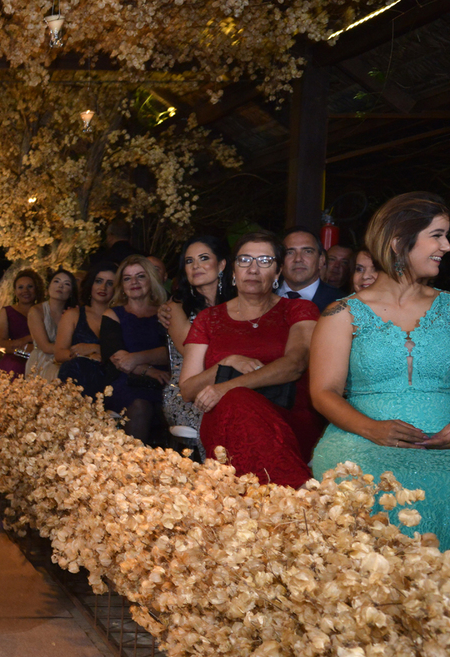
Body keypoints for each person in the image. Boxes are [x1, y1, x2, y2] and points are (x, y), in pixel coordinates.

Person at [310, 192, 450, 547]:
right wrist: (371, 429)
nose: (446, 246)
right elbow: (323, 392)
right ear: (399, 241)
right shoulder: (341, 313)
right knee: (368, 485)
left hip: (443, 444)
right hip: (359, 442)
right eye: (437, 235)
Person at [180, 231, 322, 488]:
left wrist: (227, 386)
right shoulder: (209, 319)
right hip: (225, 421)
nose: (253, 269)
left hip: (287, 418)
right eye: (244, 260)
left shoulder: (298, 310)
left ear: (278, 272)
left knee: (236, 398)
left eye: (265, 261)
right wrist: (225, 364)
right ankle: (300, 496)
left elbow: (295, 365)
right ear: (233, 270)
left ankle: (283, 496)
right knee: (234, 404)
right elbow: (188, 389)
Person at [159, 235, 233, 446]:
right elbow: (199, 358)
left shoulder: (238, 303)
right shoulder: (176, 308)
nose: (196, 266)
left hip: (232, 384)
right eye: (189, 261)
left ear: (222, 264)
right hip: (187, 393)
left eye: (203, 258)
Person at [100, 256, 170, 442]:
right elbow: (120, 360)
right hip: (127, 381)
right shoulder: (113, 314)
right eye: (127, 278)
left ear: (151, 279)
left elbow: (172, 352)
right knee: (139, 406)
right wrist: (150, 370)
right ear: (121, 285)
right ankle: (132, 459)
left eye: (140, 276)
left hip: (165, 380)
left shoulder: (166, 312)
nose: (134, 282)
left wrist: (137, 358)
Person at [56, 264, 117, 398]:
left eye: (110, 283)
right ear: (91, 284)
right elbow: (59, 353)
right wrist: (87, 356)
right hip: (77, 376)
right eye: (99, 281)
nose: (103, 287)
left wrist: (96, 348)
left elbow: (126, 353)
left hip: (112, 380)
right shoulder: (73, 315)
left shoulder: (121, 317)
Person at [25, 269, 76, 381]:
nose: (60, 286)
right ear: (48, 287)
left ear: (71, 292)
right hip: (42, 362)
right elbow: (45, 347)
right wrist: (75, 352)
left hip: (66, 361)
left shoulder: (73, 313)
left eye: (66, 284)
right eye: (56, 281)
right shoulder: (36, 311)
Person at [278, 226, 345, 311]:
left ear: (321, 260)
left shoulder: (342, 302)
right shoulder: (265, 294)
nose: (298, 259)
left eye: (307, 251)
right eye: (289, 252)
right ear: (280, 260)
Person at [0, 270, 42, 377]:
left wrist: (30, 339)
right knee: (15, 367)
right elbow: (1, 343)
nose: (25, 291)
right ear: (15, 291)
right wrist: (22, 348)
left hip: (41, 357)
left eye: (30, 286)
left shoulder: (44, 311)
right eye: (20, 287)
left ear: (36, 289)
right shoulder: (7, 312)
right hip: (15, 358)